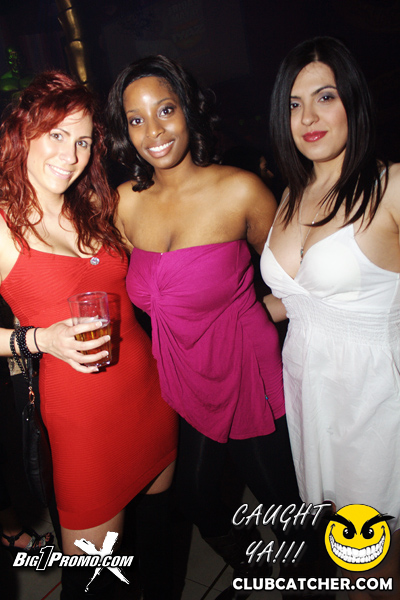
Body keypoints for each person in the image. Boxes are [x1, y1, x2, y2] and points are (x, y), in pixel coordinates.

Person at [107, 55, 305, 598]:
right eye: (136, 119)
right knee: (195, 497)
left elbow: (297, 283)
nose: (154, 131)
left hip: (246, 370)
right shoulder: (125, 204)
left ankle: (307, 581)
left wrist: (254, 314)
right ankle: (255, 570)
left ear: (188, 110)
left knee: (284, 507)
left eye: (165, 110)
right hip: (182, 375)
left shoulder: (241, 191)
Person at [0, 71, 178, 600]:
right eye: (57, 134)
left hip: (150, 397)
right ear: (22, 134)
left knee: (156, 547)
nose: (70, 154)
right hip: (84, 424)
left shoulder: (94, 209)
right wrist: (38, 340)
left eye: (82, 141)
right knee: (96, 579)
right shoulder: (3, 223)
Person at [261, 36, 400, 598]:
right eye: (294, 104)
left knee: (372, 565)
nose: (308, 118)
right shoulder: (291, 194)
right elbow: (299, 300)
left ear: (354, 102)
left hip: (373, 400)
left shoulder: (390, 186)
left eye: (325, 97)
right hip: (312, 395)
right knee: (347, 556)